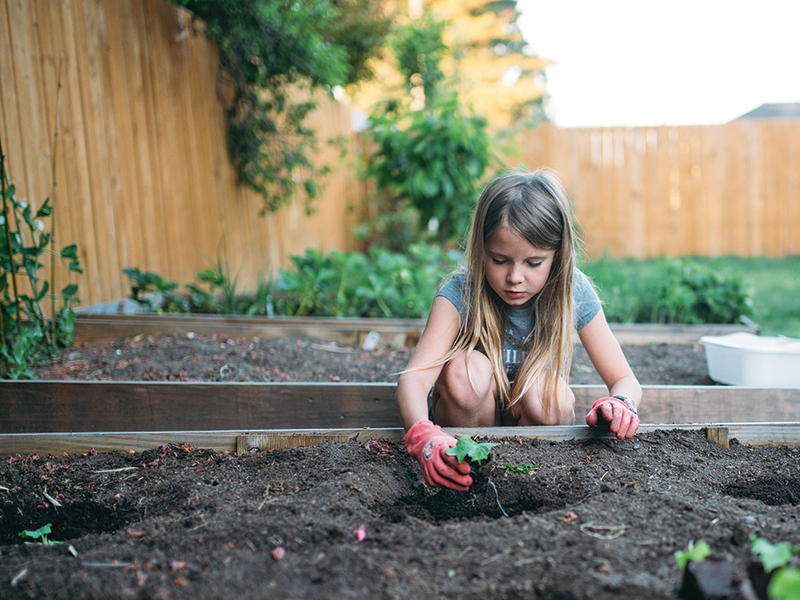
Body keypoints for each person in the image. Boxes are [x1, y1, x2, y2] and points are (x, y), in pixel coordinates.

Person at [397, 168, 642, 491]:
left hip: (532, 441)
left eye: (533, 263)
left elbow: (624, 379)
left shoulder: (572, 292)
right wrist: (422, 437)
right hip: (463, 435)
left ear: (557, 257)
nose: (515, 277)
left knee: (551, 395)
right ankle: (467, 478)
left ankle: (529, 482)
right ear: (481, 249)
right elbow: (414, 378)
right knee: (464, 372)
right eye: (499, 260)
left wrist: (621, 403)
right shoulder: (461, 293)